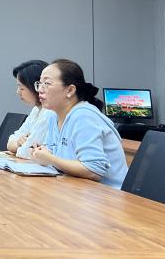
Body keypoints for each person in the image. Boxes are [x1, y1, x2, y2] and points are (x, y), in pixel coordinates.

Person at [30, 59, 128, 189]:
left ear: (70, 90)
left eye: (47, 83)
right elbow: (51, 151)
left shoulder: (83, 116)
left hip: (109, 195)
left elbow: (94, 170)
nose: (40, 90)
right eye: (39, 83)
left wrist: (49, 159)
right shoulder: (54, 116)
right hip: (76, 189)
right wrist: (41, 152)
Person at [4, 59, 57, 158]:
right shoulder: (36, 109)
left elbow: (25, 152)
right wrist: (18, 144)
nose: (18, 92)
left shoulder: (50, 111)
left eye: (22, 88)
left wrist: (19, 147)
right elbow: (11, 142)